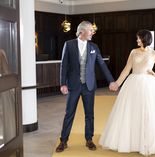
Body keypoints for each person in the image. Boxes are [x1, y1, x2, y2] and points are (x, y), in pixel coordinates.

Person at [56, 21, 116, 152]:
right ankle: (64, 141)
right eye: (90, 30)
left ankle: (89, 139)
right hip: (73, 86)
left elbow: (102, 64)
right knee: (69, 114)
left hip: (89, 86)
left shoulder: (94, 46)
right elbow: (64, 65)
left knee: (89, 114)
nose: (92, 33)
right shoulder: (69, 45)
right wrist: (63, 83)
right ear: (82, 31)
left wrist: (111, 81)